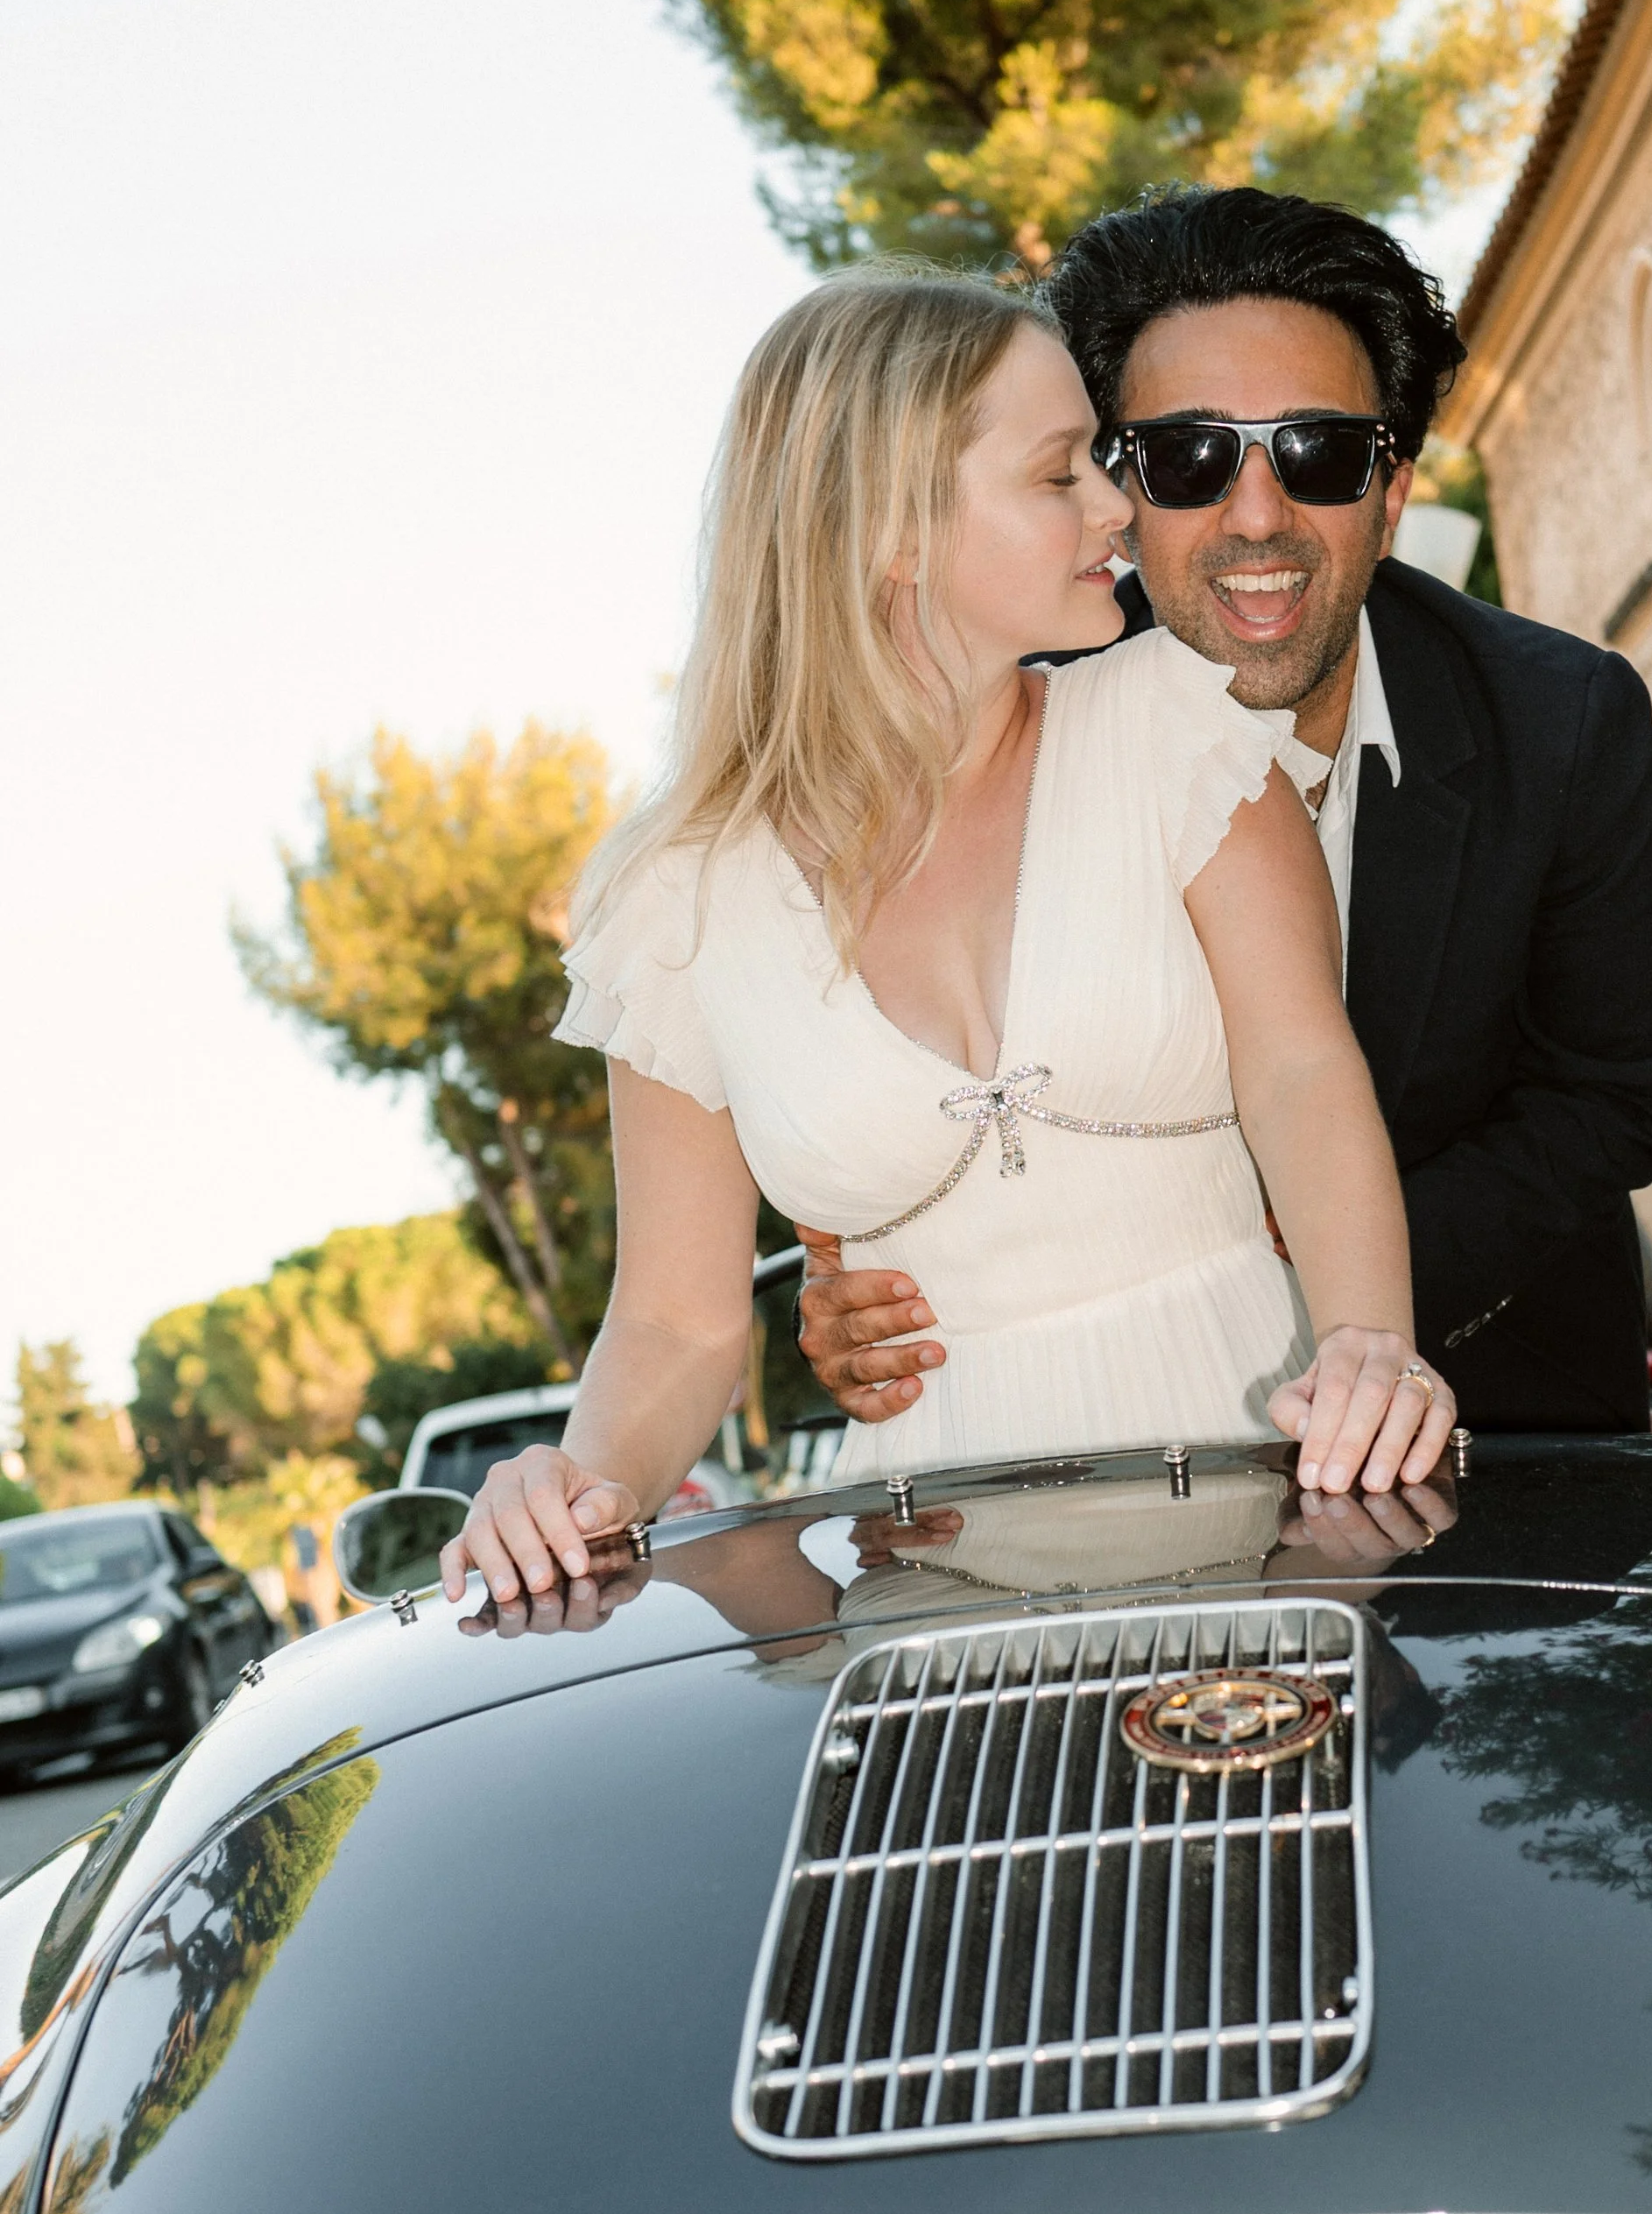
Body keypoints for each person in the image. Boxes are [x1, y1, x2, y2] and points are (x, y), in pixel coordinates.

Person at [440, 266, 1455, 1607]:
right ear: (893, 534)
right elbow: (678, 1319)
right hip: (942, 1589)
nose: (1117, 505)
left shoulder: (1178, 725)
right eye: (1060, 475)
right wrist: (578, 1482)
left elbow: (1305, 1078)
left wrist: (1375, 1345)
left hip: (1284, 1507)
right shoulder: (675, 896)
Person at [799, 187, 1652, 1441]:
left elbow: (1622, 1085)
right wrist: (851, 1281)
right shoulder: (993, 731)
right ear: (1111, 492)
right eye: (1187, 456)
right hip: (1114, 1460)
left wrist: (1324, 1297)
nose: (1255, 516)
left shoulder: (1565, 725)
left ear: (1390, 491)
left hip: (1509, 1431)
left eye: (1320, 453)